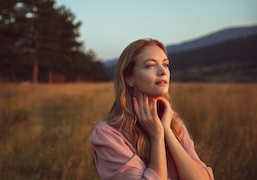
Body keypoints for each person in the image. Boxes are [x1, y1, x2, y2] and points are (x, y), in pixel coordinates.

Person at [89, 39, 214, 180]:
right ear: (129, 78)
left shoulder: (174, 123)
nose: (162, 71)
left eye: (166, 64)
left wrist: (166, 129)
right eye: (150, 65)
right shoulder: (108, 134)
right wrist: (157, 136)